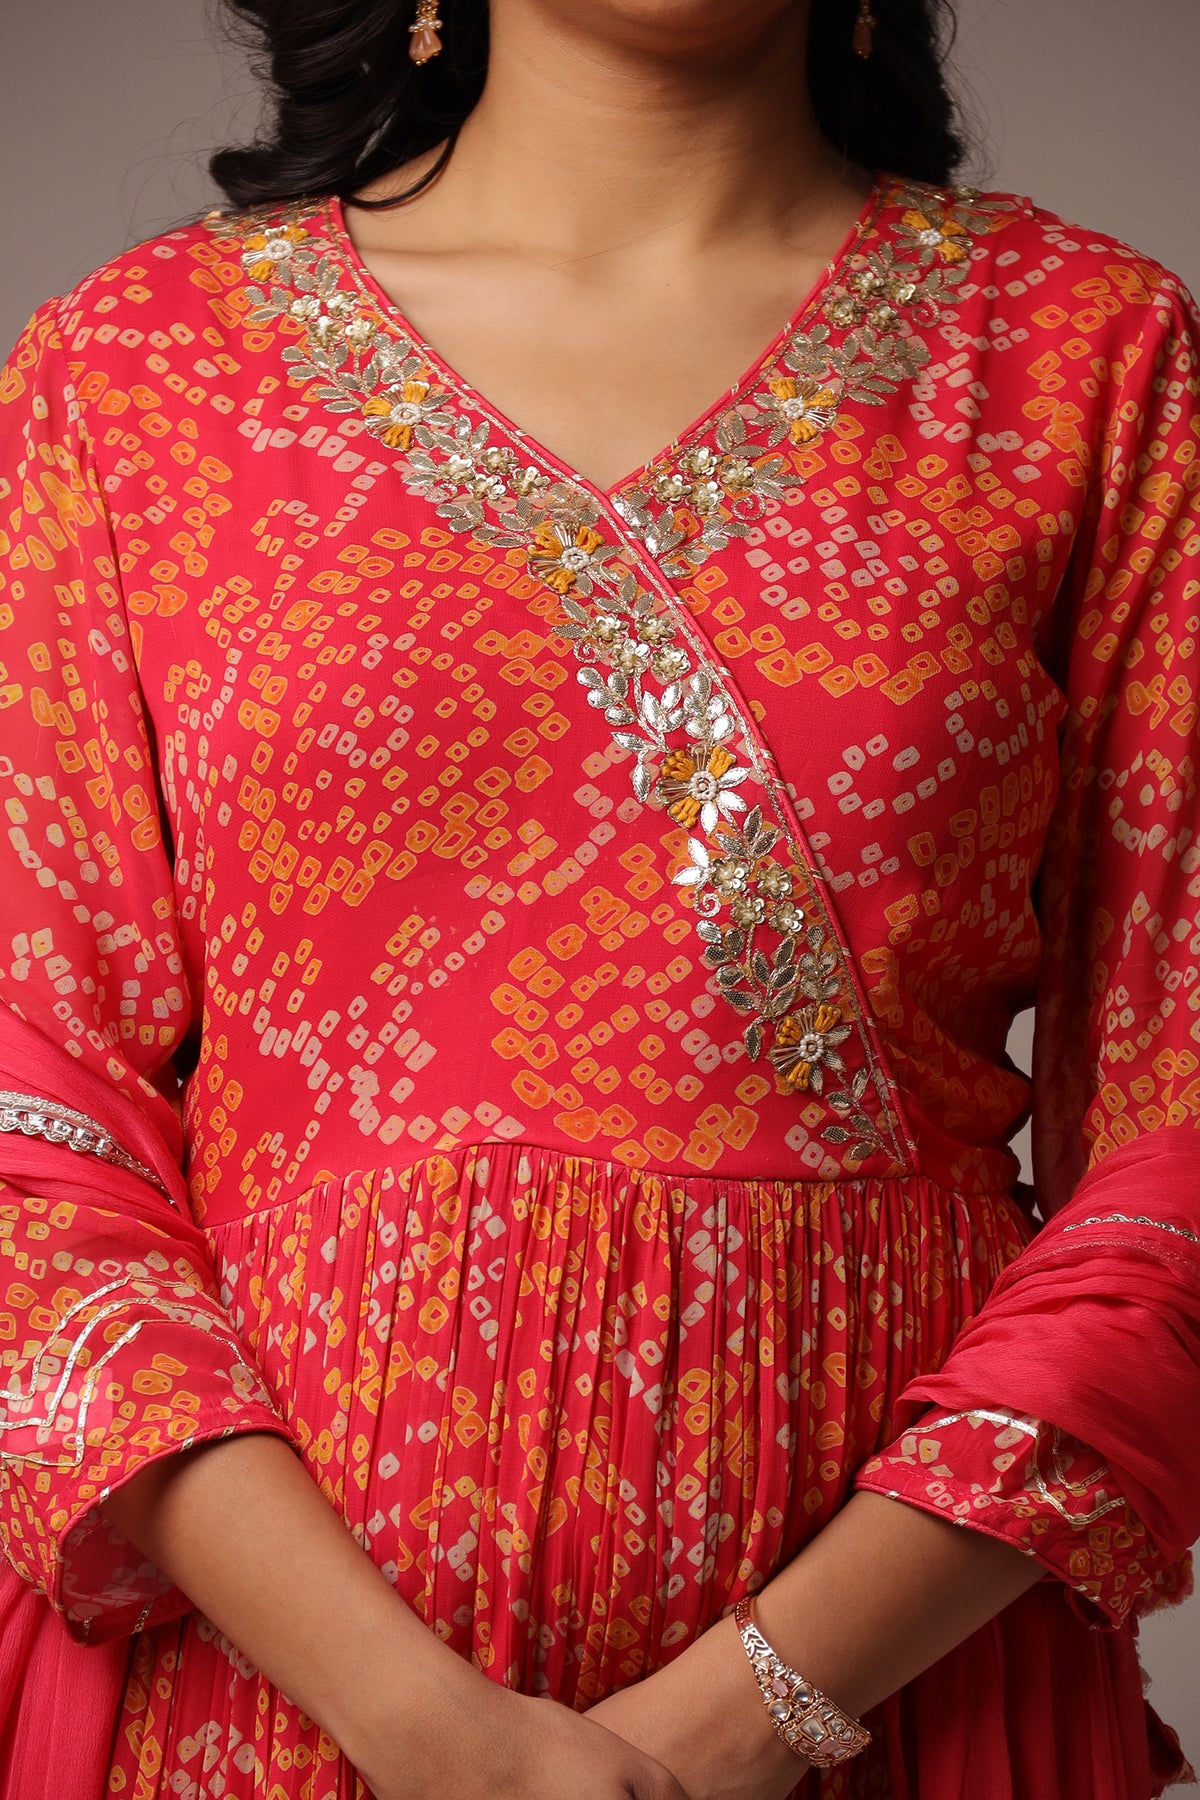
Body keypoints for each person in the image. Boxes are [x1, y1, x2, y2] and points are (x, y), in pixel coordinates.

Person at [0, 0, 1198, 1793]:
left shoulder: (1079, 353)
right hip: (264, 1698)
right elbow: (34, 1129)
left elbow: (1179, 1138)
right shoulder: (141, 367)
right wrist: (417, 1722)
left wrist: (755, 1713)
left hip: (903, 1688)